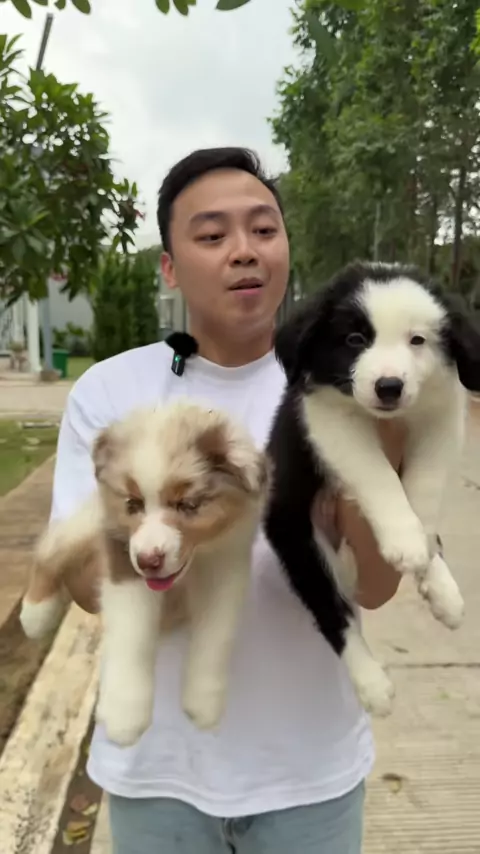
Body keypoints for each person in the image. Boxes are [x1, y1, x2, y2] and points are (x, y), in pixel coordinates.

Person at [51, 147, 405, 854]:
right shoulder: (112, 393)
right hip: (156, 776)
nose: (244, 250)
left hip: (310, 777)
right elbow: (87, 588)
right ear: (170, 267)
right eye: (213, 235)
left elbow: (376, 586)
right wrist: (172, 536)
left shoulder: (347, 391)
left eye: (264, 229)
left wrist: (359, 484)